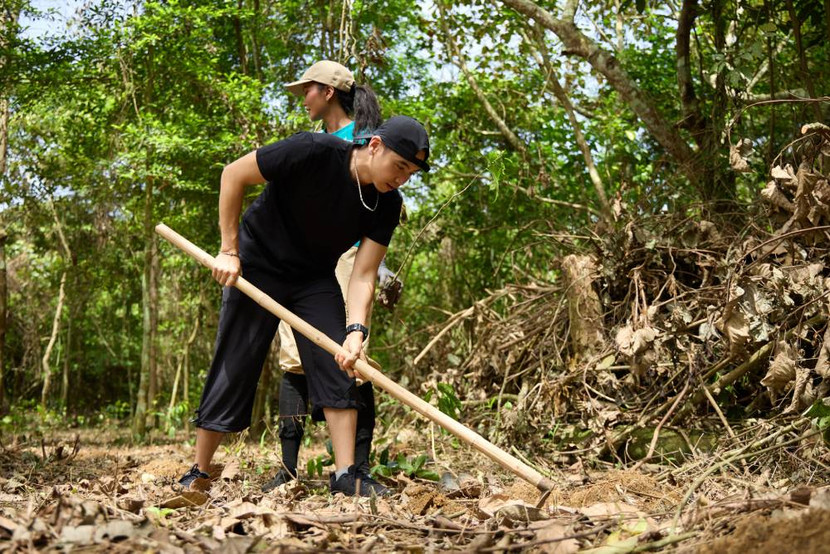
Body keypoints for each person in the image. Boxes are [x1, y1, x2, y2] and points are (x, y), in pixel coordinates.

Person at [176, 114, 430, 497]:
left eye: (410, 172)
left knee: (337, 361)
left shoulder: (387, 204)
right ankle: (200, 471)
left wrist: (356, 331)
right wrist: (229, 251)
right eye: (399, 166)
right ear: (375, 145)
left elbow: (364, 275)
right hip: (256, 264)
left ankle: (346, 475)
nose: (401, 178)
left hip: (312, 278)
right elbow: (233, 174)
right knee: (235, 360)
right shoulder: (312, 150)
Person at [264, 60, 386, 491]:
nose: (304, 99)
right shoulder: (312, 144)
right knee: (293, 356)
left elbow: (379, 215)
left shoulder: (367, 143)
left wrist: (375, 270)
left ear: (328, 91)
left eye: (308, 91)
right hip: (299, 265)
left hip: (346, 262)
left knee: (351, 361)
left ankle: (357, 471)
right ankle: (289, 468)